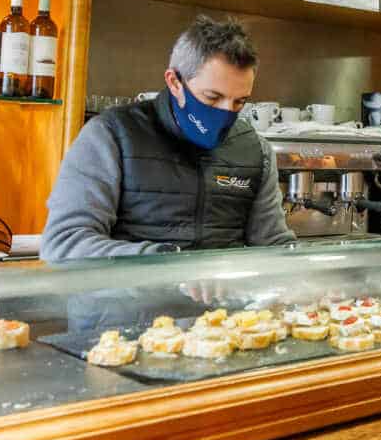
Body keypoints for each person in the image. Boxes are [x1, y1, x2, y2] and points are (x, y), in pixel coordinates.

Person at [42, 15, 294, 262]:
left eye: (239, 101)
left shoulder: (255, 151)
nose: (226, 111)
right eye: (211, 97)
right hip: (126, 303)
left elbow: (273, 245)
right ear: (174, 82)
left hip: (221, 305)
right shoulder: (111, 136)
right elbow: (64, 243)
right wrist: (165, 263)